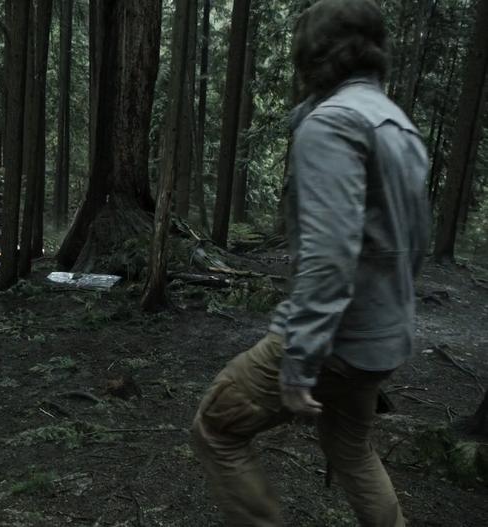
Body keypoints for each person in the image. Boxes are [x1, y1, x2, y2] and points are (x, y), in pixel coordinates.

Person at [189, 1, 430, 526]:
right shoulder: (399, 125)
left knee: (217, 425)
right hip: (381, 338)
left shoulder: (334, 125)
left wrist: (300, 361)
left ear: (313, 54)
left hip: (336, 340)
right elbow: (416, 245)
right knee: (351, 448)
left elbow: (329, 256)